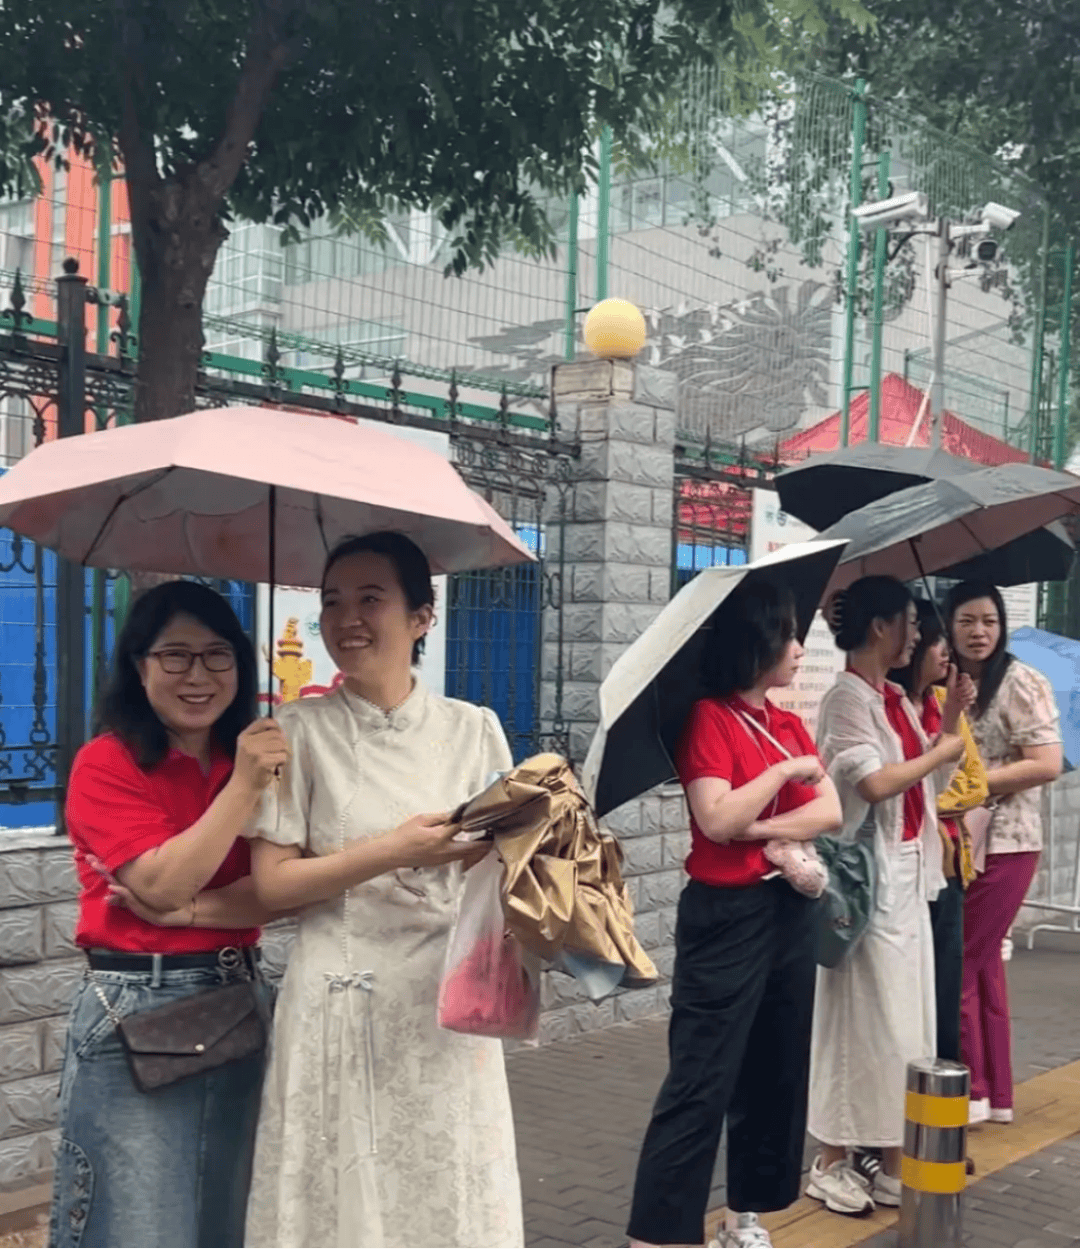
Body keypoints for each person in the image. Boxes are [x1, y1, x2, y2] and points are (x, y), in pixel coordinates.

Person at [243, 531, 523, 1249]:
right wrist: (392, 850)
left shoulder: (475, 730)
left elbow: (497, 865)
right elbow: (272, 885)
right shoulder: (292, 733)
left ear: (422, 617)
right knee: (338, 1200)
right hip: (339, 997)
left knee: (443, 1185)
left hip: (443, 1001)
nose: (347, 619)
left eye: (372, 598)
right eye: (332, 601)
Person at [50, 581, 289, 1248]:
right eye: (175, 655)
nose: (198, 675)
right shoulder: (107, 762)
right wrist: (242, 789)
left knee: (232, 1221)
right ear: (138, 664)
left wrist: (182, 911)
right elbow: (159, 876)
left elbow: (280, 890)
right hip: (137, 1009)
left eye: (217, 655)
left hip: (241, 996)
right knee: (137, 1227)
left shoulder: (259, 754)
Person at [626, 582, 842, 1249]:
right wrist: (780, 781)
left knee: (775, 1065)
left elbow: (830, 811)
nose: (799, 647)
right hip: (725, 915)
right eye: (786, 633)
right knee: (702, 1074)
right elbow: (716, 817)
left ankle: (745, 1213)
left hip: (787, 909)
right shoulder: (707, 719)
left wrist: (759, 818)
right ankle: (661, 1234)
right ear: (756, 643)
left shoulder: (787, 722)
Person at [806, 577, 965, 1215]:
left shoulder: (892, 696)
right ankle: (830, 1157)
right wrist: (941, 750)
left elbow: (927, 778)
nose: (920, 634)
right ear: (880, 627)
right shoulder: (847, 698)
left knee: (903, 1022)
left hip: (906, 875)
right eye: (909, 621)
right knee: (859, 1021)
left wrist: (949, 725)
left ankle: (892, 1154)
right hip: (866, 880)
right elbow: (872, 783)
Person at [946, 581, 1062, 1125]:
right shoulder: (954, 682)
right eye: (967, 621)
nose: (978, 632)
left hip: (1010, 842)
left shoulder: (1021, 681)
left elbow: (1046, 762)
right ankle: (995, 1096)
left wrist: (976, 782)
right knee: (986, 966)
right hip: (964, 843)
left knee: (962, 961)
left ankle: (969, 1092)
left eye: (989, 621)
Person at [888, 599, 987, 1064]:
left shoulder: (944, 703)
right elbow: (886, 785)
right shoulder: (886, 706)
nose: (946, 652)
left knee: (944, 982)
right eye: (935, 640)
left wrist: (923, 796)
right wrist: (926, 793)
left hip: (946, 864)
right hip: (902, 864)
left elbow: (974, 782)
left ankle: (942, 1093)